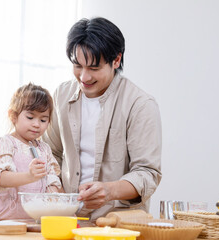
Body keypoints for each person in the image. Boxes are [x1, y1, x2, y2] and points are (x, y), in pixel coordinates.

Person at [42, 17, 162, 220]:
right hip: (65, 220)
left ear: (116, 60)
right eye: (77, 66)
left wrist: (110, 190)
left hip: (117, 223)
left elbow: (147, 173)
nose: (84, 77)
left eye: (94, 68)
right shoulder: (61, 95)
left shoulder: (140, 104)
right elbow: (49, 153)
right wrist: (55, 189)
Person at [0, 83, 62, 220]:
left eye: (43, 119)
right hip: (3, 221)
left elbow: (51, 181)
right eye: (30, 117)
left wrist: (61, 201)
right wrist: (29, 176)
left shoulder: (44, 149)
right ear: (13, 116)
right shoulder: (5, 144)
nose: (36, 124)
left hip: (33, 222)